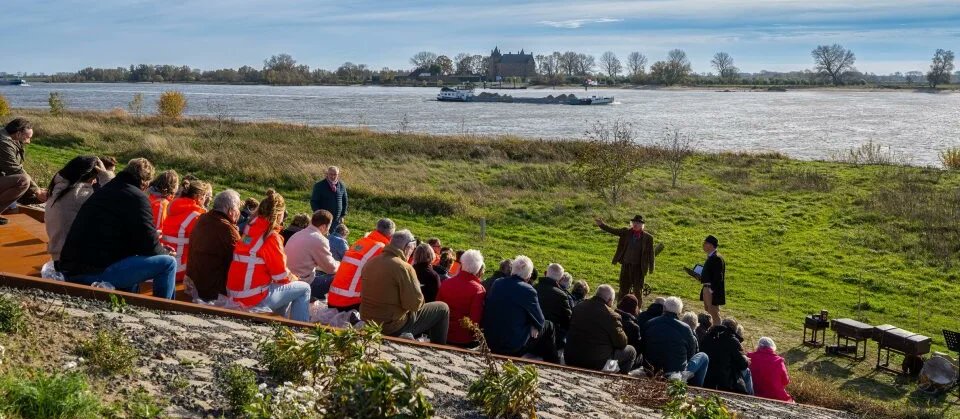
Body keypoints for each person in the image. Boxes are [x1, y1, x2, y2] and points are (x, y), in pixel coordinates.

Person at [59, 158, 177, 298]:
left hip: (72, 267)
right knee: (168, 263)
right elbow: (149, 246)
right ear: (145, 182)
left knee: (132, 263)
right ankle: (163, 310)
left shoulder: (104, 191)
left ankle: (130, 302)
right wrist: (165, 252)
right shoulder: (136, 198)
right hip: (95, 273)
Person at [226, 190, 311, 321]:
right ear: (279, 215)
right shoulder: (271, 237)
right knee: (304, 288)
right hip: (252, 298)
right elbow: (281, 275)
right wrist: (295, 278)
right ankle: (300, 329)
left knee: (287, 289)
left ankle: (279, 321)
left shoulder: (250, 230)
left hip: (235, 294)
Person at [360, 230, 449, 344]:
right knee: (442, 308)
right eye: (412, 250)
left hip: (367, 321)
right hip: (390, 327)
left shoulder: (371, 262)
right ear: (407, 247)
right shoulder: (404, 268)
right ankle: (439, 349)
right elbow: (415, 305)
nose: (411, 254)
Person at [482, 256, 559, 363]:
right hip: (511, 346)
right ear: (529, 275)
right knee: (549, 326)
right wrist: (534, 325)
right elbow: (540, 321)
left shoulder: (498, 283)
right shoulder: (528, 290)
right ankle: (553, 362)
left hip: (490, 341)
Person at [327, 218, 395, 312]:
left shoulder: (361, 241)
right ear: (391, 235)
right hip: (349, 302)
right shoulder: (382, 249)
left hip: (332, 299)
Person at [565, 285, 636, 374]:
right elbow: (622, 343)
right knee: (631, 351)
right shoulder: (612, 316)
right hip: (596, 364)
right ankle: (617, 378)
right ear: (610, 300)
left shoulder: (579, 306)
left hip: (570, 358)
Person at [45, 156, 104, 262]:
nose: (95, 181)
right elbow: (118, 201)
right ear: (88, 175)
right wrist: (106, 178)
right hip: (75, 260)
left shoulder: (59, 188)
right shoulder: (80, 194)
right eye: (95, 177)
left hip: (59, 254)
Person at [186, 189, 242, 301]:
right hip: (213, 291)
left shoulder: (202, 218)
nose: (239, 213)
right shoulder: (227, 230)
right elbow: (240, 260)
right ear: (231, 211)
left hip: (194, 283)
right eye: (238, 209)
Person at [642, 297, 709, 386]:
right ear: (679, 312)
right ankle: (696, 389)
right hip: (675, 373)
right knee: (703, 356)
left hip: (651, 370)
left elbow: (643, 346)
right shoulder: (685, 328)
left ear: (664, 308)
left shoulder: (650, 323)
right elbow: (691, 354)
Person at [160, 179, 212, 281]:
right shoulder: (196, 216)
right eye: (205, 197)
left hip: (165, 261)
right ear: (198, 197)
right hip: (180, 269)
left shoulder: (174, 208)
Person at [595, 215, 656, 301]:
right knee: (623, 289)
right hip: (626, 266)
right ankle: (620, 307)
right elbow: (613, 230)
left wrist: (651, 267)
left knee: (638, 291)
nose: (635, 224)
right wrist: (602, 225)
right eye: (634, 222)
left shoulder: (648, 238)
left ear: (642, 225)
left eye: (638, 223)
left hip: (639, 268)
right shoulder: (626, 232)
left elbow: (651, 253)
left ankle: (637, 310)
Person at [285, 210, 340, 301]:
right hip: (302, 283)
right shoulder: (319, 239)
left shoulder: (298, 234)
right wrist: (339, 264)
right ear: (323, 227)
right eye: (328, 227)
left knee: (320, 273)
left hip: (289, 278)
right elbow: (331, 269)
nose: (328, 231)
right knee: (337, 276)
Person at [0, 118, 47, 225]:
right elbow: (14, 169)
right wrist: (37, 191)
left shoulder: (10, 138)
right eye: (27, 137)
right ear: (18, 133)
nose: (29, 142)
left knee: (25, 183)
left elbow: (15, 168)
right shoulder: (3, 143)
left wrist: (36, 189)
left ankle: (25, 199)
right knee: (23, 180)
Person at [436, 249, 486, 348]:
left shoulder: (446, 283)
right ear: (479, 268)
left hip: (441, 334)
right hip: (463, 339)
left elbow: (437, 307)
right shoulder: (478, 290)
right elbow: (474, 321)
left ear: (461, 264)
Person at [701, 318, 750, 394]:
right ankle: (750, 396)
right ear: (734, 329)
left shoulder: (708, 336)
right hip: (725, 383)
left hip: (706, 379)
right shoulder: (732, 340)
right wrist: (745, 359)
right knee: (746, 372)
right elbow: (743, 365)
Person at [534, 263, 573, 349]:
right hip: (550, 339)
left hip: (531, 334)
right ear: (561, 278)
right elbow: (567, 321)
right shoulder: (562, 295)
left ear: (545, 273)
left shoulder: (533, 288)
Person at [748, 337, 793, 402]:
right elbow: (785, 381)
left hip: (755, 393)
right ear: (772, 348)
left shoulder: (750, 357)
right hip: (776, 397)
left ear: (759, 346)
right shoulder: (778, 361)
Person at [699, 235, 726, 326]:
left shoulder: (717, 258)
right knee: (708, 311)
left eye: (705, 243)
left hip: (711, 290)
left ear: (711, 245)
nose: (703, 245)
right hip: (707, 288)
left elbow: (719, 277)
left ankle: (717, 331)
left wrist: (711, 290)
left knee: (713, 313)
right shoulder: (711, 257)